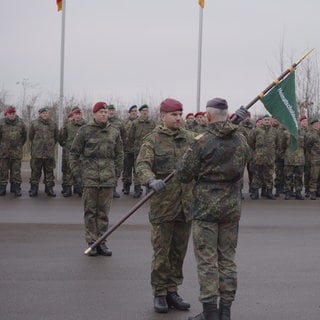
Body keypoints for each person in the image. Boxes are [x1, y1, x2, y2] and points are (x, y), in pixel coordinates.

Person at [176, 98, 249, 320]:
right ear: (226, 115)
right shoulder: (241, 140)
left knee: (207, 261)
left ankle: (210, 313)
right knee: (227, 259)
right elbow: (245, 161)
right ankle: (225, 311)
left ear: (208, 116)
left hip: (206, 209)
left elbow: (184, 174)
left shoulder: (201, 141)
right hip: (231, 208)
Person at [135, 98, 195, 314]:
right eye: (174, 115)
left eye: (180, 114)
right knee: (162, 252)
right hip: (163, 207)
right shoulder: (152, 140)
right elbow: (142, 164)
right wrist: (150, 180)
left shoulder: (190, 139)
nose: (178, 118)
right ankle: (159, 293)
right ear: (162, 116)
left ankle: (173, 290)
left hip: (185, 206)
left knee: (179, 252)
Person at [69, 102, 123, 256]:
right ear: (94, 114)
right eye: (100, 112)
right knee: (90, 212)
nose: (104, 114)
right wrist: (77, 175)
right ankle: (92, 242)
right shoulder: (84, 131)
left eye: (106, 112)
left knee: (104, 212)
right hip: (90, 179)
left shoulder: (114, 131)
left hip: (107, 179)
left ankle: (103, 242)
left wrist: (116, 173)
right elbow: (73, 153)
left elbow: (119, 154)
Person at [29, 107, 58, 197]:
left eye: (46, 113)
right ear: (40, 114)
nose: (45, 114)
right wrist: (36, 146)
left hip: (49, 153)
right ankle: (34, 188)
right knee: (35, 171)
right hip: (37, 153)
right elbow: (31, 137)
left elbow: (56, 137)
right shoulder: (34, 123)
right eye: (43, 113)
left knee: (49, 171)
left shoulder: (53, 124)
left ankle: (49, 189)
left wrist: (50, 145)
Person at [128, 104, 156, 198]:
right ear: (140, 112)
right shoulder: (135, 123)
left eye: (146, 110)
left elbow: (156, 135)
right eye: (143, 110)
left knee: (149, 168)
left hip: (150, 149)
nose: (145, 112)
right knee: (137, 169)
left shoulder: (152, 123)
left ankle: (148, 189)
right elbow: (131, 136)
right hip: (138, 150)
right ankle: (137, 189)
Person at [58, 108, 86, 197]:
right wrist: (66, 146)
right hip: (70, 152)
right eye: (76, 114)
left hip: (82, 153)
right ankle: (68, 189)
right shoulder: (67, 126)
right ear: (73, 115)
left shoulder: (86, 126)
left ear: (81, 115)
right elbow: (61, 137)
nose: (77, 116)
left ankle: (79, 189)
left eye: (79, 114)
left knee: (80, 171)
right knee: (69, 171)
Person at [0, 106, 27, 196]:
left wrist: (18, 145)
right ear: (6, 114)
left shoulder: (20, 123)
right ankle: (2, 188)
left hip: (16, 152)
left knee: (16, 171)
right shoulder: (1, 123)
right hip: (4, 153)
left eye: (13, 114)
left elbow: (24, 136)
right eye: (10, 114)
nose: (12, 115)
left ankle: (15, 188)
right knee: (3, 171)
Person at [107, 104, 126, 198]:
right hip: (105, 151)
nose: (111, 112)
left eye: (112, 110)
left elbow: (124, 135)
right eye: (109, 110)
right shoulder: (103, 121)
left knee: (116, 170)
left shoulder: (120, 123)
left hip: (116, 151)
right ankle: (106, 190)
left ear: (115, 111)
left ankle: (113, 189)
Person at [122, 105, 138, 195]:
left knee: (137, 171)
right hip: (127, 150)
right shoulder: (125, 122)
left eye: (135, 111)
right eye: (132, 111)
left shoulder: (140, 122)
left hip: (138, 150)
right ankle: (126, 187)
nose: (134, 112)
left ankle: (137, 188)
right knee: (127, 170)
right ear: (129, 112)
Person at [305, 118, 320, 200]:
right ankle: (312, 191)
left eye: (318, 124)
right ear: (312, 125)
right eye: (315, 124)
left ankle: (318, 190)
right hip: (314, 158)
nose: (317, 126)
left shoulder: (319, 133)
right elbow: (308, 146)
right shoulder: (310, 134)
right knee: (314, 175)